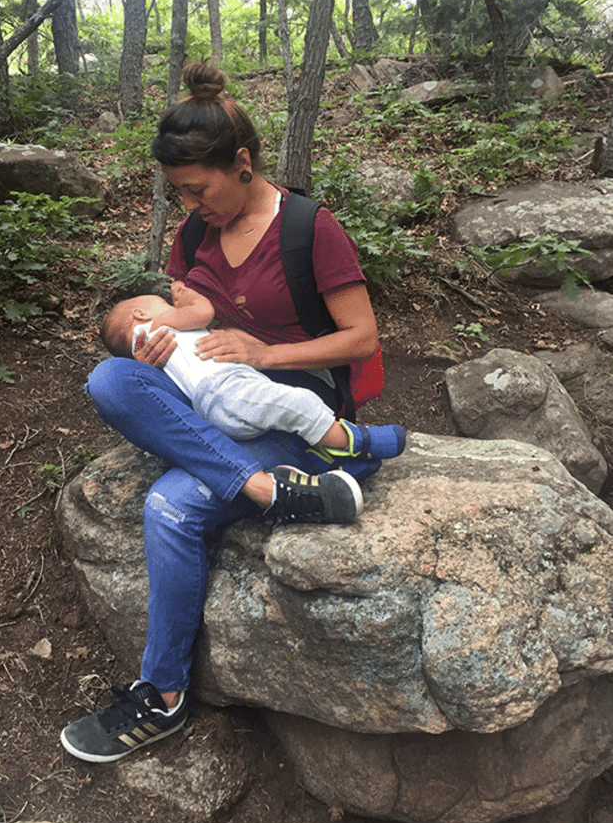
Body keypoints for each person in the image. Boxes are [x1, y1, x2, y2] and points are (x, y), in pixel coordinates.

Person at [60, 61, 390, 765]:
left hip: (294, 409)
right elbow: (188, 325)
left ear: (241, 164)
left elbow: (361, 339)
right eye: (177, 193)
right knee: (110, 379)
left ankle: (162, 695)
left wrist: (265, 353)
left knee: (170, 507)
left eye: (196, 189)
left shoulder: (308, 228)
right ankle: (264, 490)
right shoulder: (194, 238)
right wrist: (159, 349)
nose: (189, 205)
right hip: (217, 404)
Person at [101, 281, 406, 476]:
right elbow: (204, 311)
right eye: (159, 299)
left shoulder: (153, 351)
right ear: (141, 313)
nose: (167, 301)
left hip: (220, 399)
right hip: (225, 389)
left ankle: (330, 461)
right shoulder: (159, 323)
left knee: (282, 414)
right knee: (298, 403)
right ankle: (354, 440)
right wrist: (187, 296)